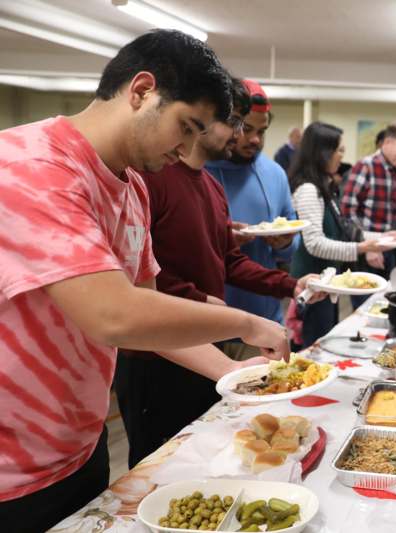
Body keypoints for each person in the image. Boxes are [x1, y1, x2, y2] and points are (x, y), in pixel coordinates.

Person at [0, 30, 289, 532]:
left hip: (78, 452)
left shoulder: (132, 186)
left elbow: (151, 318)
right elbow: (116, 315)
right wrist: (245, 322)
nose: (187, 148)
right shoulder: (32, 166)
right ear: (141, 91)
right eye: (186, 126)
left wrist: (239, 381)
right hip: (11, 472)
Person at [115, 79, 326, 467]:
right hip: (155, 359)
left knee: (206, 459)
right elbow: (139, 277)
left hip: (204, 346)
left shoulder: (211, 187)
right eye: (235, 123)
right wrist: (211, 306)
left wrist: (292, 283)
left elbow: (230, 262)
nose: (242, 135)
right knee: (159, 467)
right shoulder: (153, 181)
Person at [206, 80, 299, 357]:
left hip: (265, 321)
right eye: (246, 129)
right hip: (210, 326)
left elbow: (292, 246)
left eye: (262, 131)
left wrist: (283, 243)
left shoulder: (274, 173)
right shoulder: (200, 173)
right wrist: (223, 241)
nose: (255, 139)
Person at [288, 122, 392, 347]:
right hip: (311, 285)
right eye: (339, 150)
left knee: (322, 342)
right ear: (322, 153)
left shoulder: (324, 187)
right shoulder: (308, 190)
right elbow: (315, 243)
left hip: (325, 285)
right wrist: (361, 249)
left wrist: (381, 237)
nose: (341, 156)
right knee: (310, 348)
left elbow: (344, 229)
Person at [340, 121, 396, 274]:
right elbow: (348, 214)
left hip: (391, 251)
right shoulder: (365, 167)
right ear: (387, 142)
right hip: (367, 251)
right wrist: (369, 246)